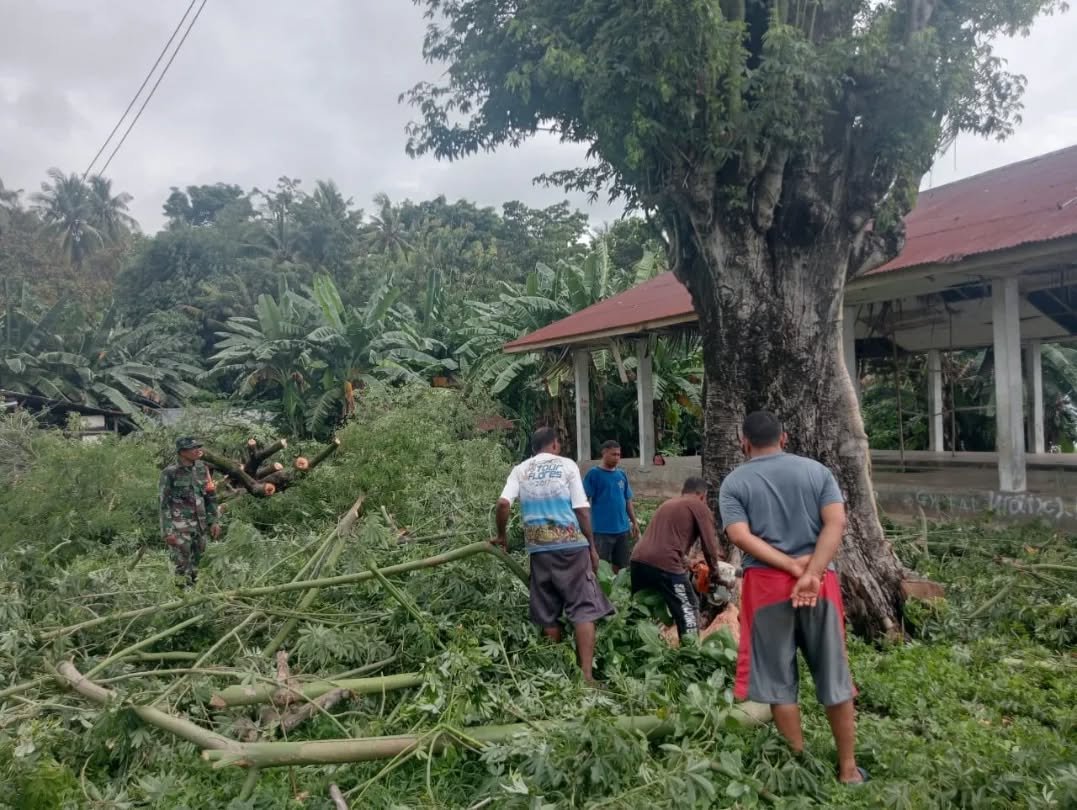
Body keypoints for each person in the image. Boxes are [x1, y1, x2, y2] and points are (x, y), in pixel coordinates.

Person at [718, 411, 866, 785]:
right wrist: (811, 572)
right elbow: (836, 522)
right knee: (834, 674)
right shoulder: (817, 473)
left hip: (766, 587)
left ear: (743, 442)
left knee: (779, 682)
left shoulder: (735, 482)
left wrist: (788, 566)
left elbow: (739, 535)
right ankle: (848, 769)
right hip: (820, 585)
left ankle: (799, 766)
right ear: (784, 438)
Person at [493, 427, 614, 684]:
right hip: (571, 548)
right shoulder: (567, 466)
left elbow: (503, 504)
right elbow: (581, 509)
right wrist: (592, 547)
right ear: (555, 445)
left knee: (547, 610)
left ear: (533, 448)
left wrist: (501, 535)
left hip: (540, 550)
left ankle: (556, 673)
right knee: (583, 608)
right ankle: (586, 676)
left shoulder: (520, 470)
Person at [629, 476, 722, 640]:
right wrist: (715, 573)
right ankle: (690, 651)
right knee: (688, 607)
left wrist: (689, 563)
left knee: (640, 607)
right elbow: (709, 545)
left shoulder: (668, 504)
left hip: (638, 560)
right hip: (665, 564)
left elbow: (663, 542)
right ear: (702, 495)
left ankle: (633, 643)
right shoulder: (699, 506)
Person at [159, 436, 221, 586]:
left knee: (200, 567)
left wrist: (214, 521)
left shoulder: (202, 469)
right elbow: (163, 503)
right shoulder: (170, 473)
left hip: (201, 527)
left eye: (198, 447)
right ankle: (181, 597)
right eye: (193, 448)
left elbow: (210, 497)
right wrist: (167, 531)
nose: (197, 450)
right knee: (181, 567)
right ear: (182, 452)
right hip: (180, 529)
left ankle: (197, 595)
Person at [583, 439, 640, 573]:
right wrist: (584, 524)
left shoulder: (621, 474)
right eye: (613, 454)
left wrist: (634, 522)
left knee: (622, 567)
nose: (617, 458)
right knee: (599, 566)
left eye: (618, 455)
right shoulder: (594, 474)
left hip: (622, 529)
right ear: (604, 453)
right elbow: (584, 500)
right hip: (602, 531)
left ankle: (616, 586)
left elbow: (627, 500)